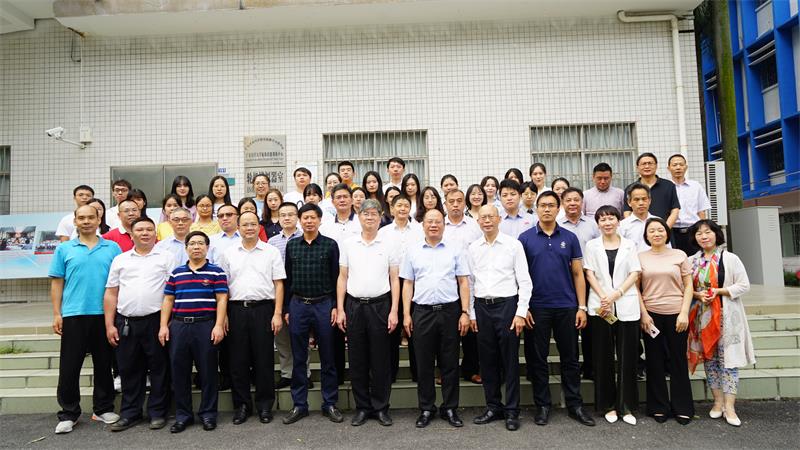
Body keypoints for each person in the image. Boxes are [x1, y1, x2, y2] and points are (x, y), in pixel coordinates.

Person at [518, 191, 595, 427]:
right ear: (536, 208)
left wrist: (581, 306)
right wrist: (524, 307)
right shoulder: (525, 238)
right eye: (543, 205)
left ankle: (575, 405)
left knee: (570, 358)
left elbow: (578, 274)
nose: (547, 209)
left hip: (566, 306)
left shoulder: (570, 238)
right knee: (538, 359)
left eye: (551, 205)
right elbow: (520, 276)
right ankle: (542, 405)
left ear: (558, 208)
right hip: (537, 308)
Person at [49, 205, 122, 434]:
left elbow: (120, 281)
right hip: (74, 314)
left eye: (91, 217)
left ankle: (103, 408)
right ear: (75, 221)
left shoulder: (112, 247)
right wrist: (57, 313)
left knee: (104, 364)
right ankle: (69, 413)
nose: (87, 221)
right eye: (82, 218)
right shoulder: (64, 249)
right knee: (69, 366)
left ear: (99, 219)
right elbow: (57, 282)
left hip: (104, 315)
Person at [401, 208, 471, 429]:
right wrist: (406, 314)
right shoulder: (412, 251)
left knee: (450, 363)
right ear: (423, 225)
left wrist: (465, 312)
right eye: (429, 221)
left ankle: (450, 407)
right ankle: (426, 408)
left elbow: (463, 282)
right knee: (424, 363)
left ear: (443, 224)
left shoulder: (455, 249)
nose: (433, 225)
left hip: (450, 311)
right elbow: (408, 284)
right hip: (422, 312)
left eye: (438, 221)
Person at [103, 217, 173, 432]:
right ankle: (130, 413)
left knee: (159, 368)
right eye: (140, 230)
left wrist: (166, 323)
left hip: (156, 321)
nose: (145, 233)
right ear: (131, 234)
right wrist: (109, 325)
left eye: (149, 229)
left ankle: (158, 412)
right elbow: (111, 293)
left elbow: (172, 293)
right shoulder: (121, 260)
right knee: (129, 369)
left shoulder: (166, 257)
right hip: (126, 322)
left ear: (155, 234)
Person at [336, 199, 400, 426]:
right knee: (357, 359)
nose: (370, 217)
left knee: (381, 359)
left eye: (374, 213)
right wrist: (341, 308)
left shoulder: (389, 243)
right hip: (354, 306)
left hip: (381, 305)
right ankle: (362, 407)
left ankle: (381, 407)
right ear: (359, 216)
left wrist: (394, 310)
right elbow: (342, 277)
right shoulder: (349, 243)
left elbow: (395, 279)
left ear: (381, 217)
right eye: (365, 213)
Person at [218, 211, 286, 425]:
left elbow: (278, 284)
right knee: (238, 360)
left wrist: (277, 313)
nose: (249, 228)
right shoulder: (228, 253)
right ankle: (242, 406)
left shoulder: (271, 251)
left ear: (259, 227)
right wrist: (223, 316)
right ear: (238, 227)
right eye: (245, 224)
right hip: (236, 310)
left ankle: (265, 406)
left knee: (263, 359)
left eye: (253, 224)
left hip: (264, 309)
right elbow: (223, 288)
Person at [468, 204, 531, 431]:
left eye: (490, 217)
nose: (487, 221)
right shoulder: (473, 248)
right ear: (478, 222)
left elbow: (524, 281)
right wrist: (472, 312)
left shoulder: (513, 245)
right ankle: (493, 406)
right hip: (482, 308)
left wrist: (520, 312)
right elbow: (471, 282)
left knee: (509, 360)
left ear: (499, 219)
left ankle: (512, 410)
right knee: (487, 360)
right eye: (483, 217)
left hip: (507, 306)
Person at [159, 231, 228, 433]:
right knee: (179, 373)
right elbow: (168, 300)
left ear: (207, 247)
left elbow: (222, 299)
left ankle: (208, 414)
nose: (196, 247)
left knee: (208, 372)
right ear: (186, 247)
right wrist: (163, 325)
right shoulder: (176, 273)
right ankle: (183, 416)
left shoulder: (217, 272)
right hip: (179, 327)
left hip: (205, 325)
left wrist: (218, 325)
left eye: (200, 243)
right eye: (192, 244)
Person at [687, 219, 755, 427]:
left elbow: (744, 285)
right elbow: (686, 288)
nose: (704, 236)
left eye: (708, 232)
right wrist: (698, 295)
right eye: (699, 233)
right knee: (710, 359)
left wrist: (719, 291)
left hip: (726, 315)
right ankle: (717, 402)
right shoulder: (691, 261)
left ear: (716, 234)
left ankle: (730, 406)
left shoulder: (730, 258)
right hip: (702, 317)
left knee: (729, 361)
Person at [283, 203, 344, 425]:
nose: (309, 221)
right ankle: (299, 405)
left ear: (319, 220)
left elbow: (337, 277)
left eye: (313, 218)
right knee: (299, 357)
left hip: (324, 304)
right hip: (298, 304)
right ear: (300, 221)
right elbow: (288, 278)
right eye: (305, 218)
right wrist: (287, 308)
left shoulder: (330, 245)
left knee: (328, 356)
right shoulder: (292, 246)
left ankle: (330, 403)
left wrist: (336, 306)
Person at [583, 206, 641, 425]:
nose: (607, 222)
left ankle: (626, 406)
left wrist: (616, 294)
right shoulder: (592, 245)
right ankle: (608, 405)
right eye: (603, 219)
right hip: (601, 306)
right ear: (598, 223)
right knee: (603, 357)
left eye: (611, 218)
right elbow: (589, 274)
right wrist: (604, 297)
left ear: (618, 221)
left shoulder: (629, 245)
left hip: (626, 303)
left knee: (627, 357)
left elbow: (635, 273)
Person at [638, 217, 694, 425]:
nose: (656, 234)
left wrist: (684, 312)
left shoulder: (679, 255)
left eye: (660, 230)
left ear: (667, 233)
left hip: (677, 314)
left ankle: (683, 407)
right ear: (646, 236)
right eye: (651, 231)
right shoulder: (640, 257)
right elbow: (636, 288)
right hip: (651, 314)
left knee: (678, 360)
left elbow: (689, 285)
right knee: (654, 361)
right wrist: (644, 314)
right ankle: (658, 406)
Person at [378, 194, 423, 383]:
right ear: (392, 209)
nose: (403, 209)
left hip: (415, 283)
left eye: (406, 205)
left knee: (415, 329)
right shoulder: (384, 232)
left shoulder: (419, 230)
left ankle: (418, 372)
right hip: (391, 284)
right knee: (391, 329)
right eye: (399, 205)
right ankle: (390, 373)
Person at [320, 184, 361, 385]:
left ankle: (359, 375)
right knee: (335, 329)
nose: (343, 200)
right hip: (333, 279)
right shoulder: (326, 226)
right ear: (333, 201)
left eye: (346, 196)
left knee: (357, 331)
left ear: (352, 200)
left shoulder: (361, 222)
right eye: (339, 197)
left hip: (359, 279)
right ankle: (337, 376)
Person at [558, 187, 600, 380]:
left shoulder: (592, 225)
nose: (573, 203)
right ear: (562, 203)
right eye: (568, 200)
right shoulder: (558, 225)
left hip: (590, 278)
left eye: (576, 200)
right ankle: (572, 367)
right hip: (566, 279)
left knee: (590, 325)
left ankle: (591, 366)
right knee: (570, 325)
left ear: (582, 202)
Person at [443, 190, 482, 385]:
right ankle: (445, 372)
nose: (455, 205)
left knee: (471, 328)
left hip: (470, 282)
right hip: (447, 283)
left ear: (465, 204)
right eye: (451, 201)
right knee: (447, 331)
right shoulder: (439, 225)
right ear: (445, 204)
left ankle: (471, 369)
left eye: (459, 201)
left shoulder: (474, 226)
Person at [268, 202, 306, 390]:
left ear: (297, 217)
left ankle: (304, 374)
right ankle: (287, 373)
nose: (287, 218)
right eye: (283, 215)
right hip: (278, 290)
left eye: (291, 214)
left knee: (300, 337)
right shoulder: (272, 242)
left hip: (300, 291)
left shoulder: (305, 237)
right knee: (282, 337)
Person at [668, 154, 711, 255]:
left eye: (681, 164)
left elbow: (701, 211)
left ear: (686, 167)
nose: (678, 167)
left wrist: (703, 231)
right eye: (674, 165)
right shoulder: (666, 187)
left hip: (693, 230)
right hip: (672, 232)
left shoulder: (696, 186)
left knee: (696, 260)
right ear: (669, 168)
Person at [623, 153, 680, 227]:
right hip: (638, 230)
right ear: (637, 168)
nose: (647, 166)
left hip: (663, 230)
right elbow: (627, 211)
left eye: (650, 163)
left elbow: (675, 210)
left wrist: (664, 229)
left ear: (656, 166)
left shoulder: (669, 185)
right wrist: (633, 228)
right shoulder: (630, 188)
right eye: (643, 164)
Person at [619, 183, 659, 251]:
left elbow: (667, 247)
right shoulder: (622, 226)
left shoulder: (659, 222)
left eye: (644, 199)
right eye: (636, 199)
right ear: (629, 202)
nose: (641, 203)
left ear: (649, 201)